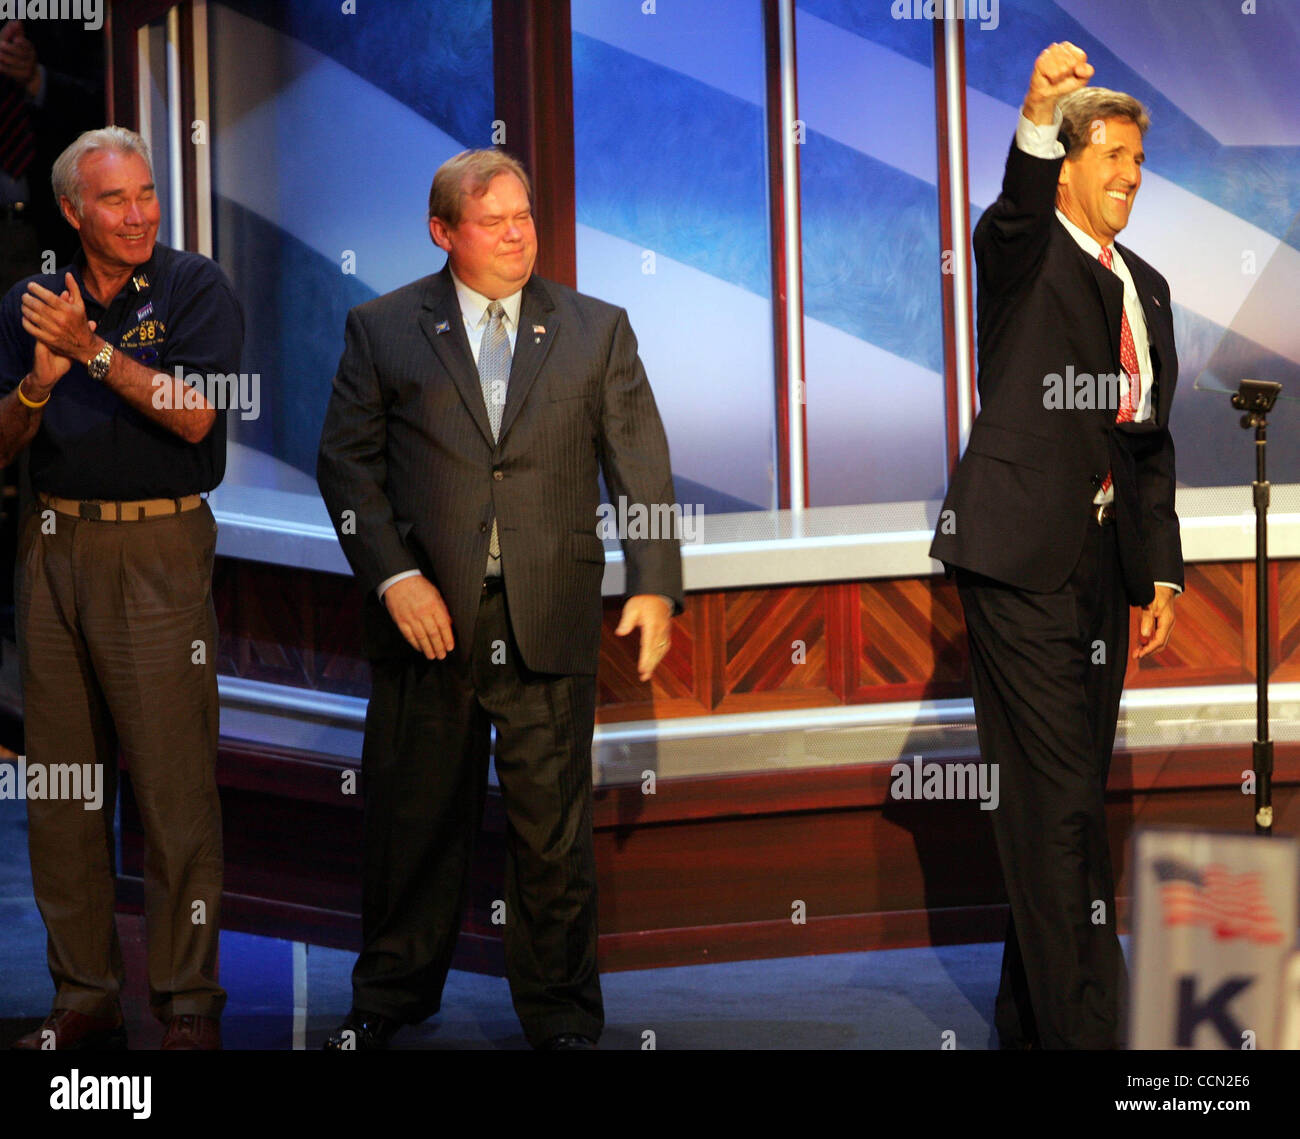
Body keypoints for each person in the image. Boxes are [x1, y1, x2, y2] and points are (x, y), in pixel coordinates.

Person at [317, 148, 683, 1050]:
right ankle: (391, 999)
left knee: (551, 837)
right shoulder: (384, 327)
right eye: (496, 221)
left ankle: (561, 1019)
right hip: (428, 620)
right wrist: (396, 575)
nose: (519, 234)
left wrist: (655, 585)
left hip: (545, 613)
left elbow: (641, 464)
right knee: (414, 825)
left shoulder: (596, 329)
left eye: (525, 216)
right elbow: (347, 466)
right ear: (444, 233)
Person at [930, 43, 1182, 1049]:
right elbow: (1017, 204)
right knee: (1064, 801)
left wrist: (1156, 565)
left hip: (1097, 571)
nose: (1126, 176)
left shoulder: (1145, 285)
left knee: (1056, 796)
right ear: (1070, 163)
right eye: (1110, 155)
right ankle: (1092, 1031)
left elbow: (1148, 438)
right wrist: (1037, 114)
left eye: (1136, 161)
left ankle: (1028, 1020)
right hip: (1016, 558)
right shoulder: (1024, 250)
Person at [1, 127, 242, 1051]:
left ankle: (187, 1006)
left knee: (175, 790)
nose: (139, 213)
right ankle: (84, 995)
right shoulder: (28, 302)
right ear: (71, 210)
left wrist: (94, 354)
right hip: (51, 546)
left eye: (146, 193)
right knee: (63, 790)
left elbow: (195, 415)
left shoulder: (192, 288)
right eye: (116, 199)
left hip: (158, 551)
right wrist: (34, 388)